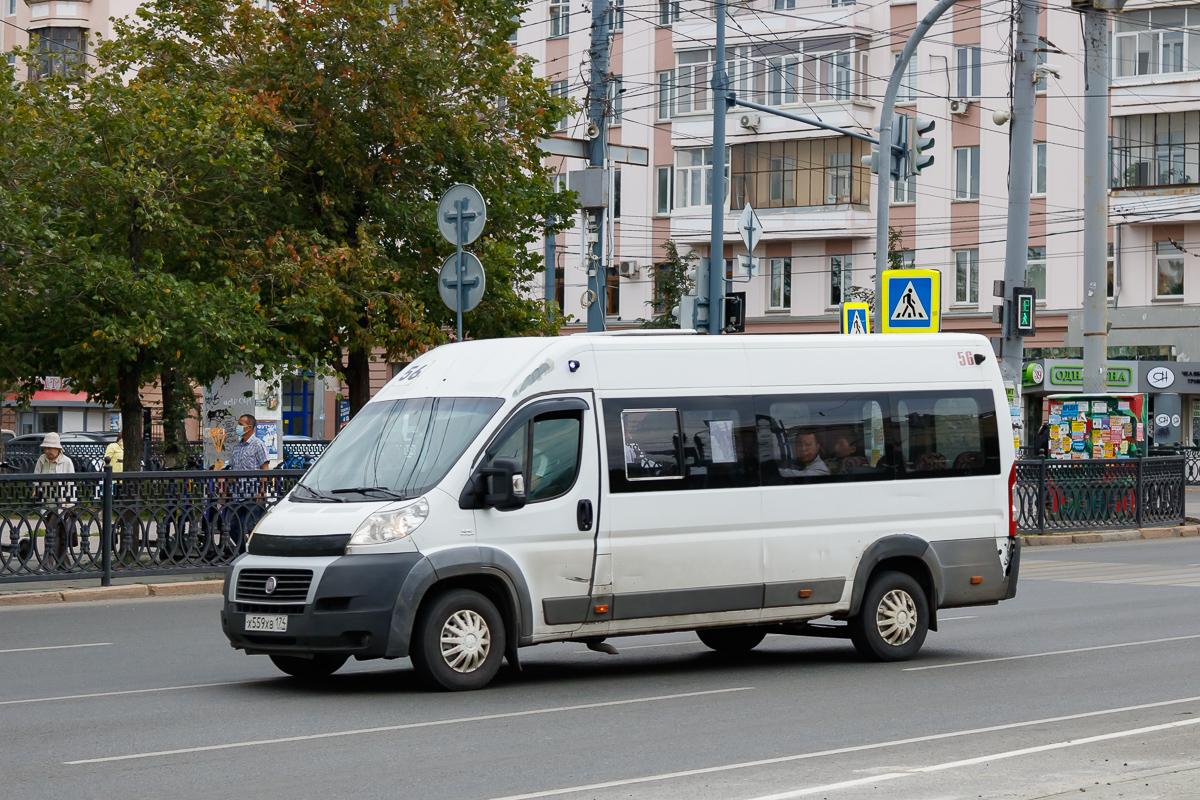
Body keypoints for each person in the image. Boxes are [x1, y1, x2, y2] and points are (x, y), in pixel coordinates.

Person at [226, 415, 269, 552]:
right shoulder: (237, 446)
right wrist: (225, 487)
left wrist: (262, 492)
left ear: (249, 427)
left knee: (252, 527)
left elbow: (265, 471)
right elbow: (234, 469)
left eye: (240, 424)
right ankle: (244, 551)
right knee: (230, 525)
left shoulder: (258, 445)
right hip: (237, 494)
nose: (237, 427)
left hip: (253, 493)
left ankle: (256, 553)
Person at [34, 432, 77, 569]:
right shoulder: (42, 460)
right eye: (45, 448)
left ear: (58, 448)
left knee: (50, 533)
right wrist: (36, 489)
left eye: (50, 448)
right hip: (46, 502)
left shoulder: (66, 461)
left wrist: (70, 502)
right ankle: (64, 565)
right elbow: (36, 477)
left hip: (61, 503)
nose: (47, 451)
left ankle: (48, 565)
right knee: (58, 534)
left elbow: (71, 483)